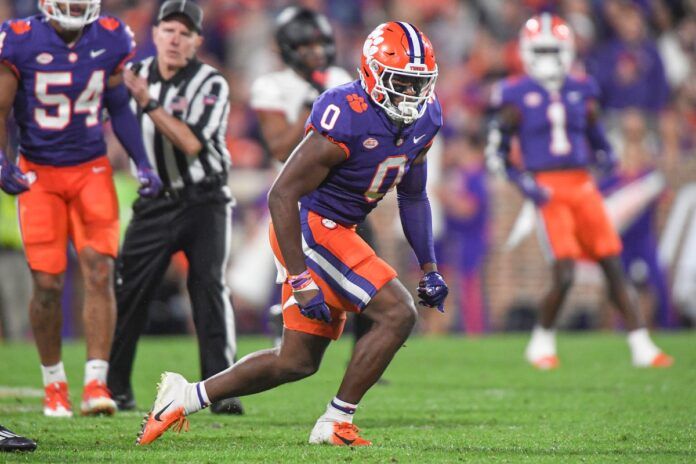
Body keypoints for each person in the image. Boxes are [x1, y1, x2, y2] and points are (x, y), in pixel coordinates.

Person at [136, 21, 449, 447]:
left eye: (419, 84)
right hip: (310, 226)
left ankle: (184, 397)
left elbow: (413, 197)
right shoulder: (347, 115)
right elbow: (282, 194)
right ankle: (336, 421)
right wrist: (300, 278)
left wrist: (429, 266)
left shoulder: (425, 118)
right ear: (373, 74)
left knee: (295, 362)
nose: (412, 96)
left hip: (340, 228)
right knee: (398, 312)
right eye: (402, 83)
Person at [0, 0, 162, 417]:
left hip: (91, 169)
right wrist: (2, 160)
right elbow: (0, 109)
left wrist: (141, 160)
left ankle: (95, 382)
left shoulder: (110, 35)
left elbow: (119, 104)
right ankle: (54, 383)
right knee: (48, 283)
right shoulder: (18, 39)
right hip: (39, 173)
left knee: (100, 267)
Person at [486, 13, 672, 369]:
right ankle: (541, 341)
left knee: (612, 264)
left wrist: (606, 158)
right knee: (566, 272)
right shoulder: (515, 94)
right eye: (540, 50)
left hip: (583, 185)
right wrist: (525, 183)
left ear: (568, 50)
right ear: (526, 52)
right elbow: (496, 153)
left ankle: (642, 346)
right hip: (548, 188)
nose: (547, 58)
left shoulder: (581, 88)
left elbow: (598, 138)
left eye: (553, 50)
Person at [106, 0, 242, 415]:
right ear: (155, 34)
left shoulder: (210, 83)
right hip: (154, 201)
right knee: (130, 290)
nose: (175, 38)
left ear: (197, 41)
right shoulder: (134, 75)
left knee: (208, 290)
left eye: (184, 32)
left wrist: (147, 102)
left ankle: (220, 391)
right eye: (168, 29)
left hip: (205, 199)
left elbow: (191, 143)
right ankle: (114, 389)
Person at [247, 6, 377, 352]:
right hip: (296, 197)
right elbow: (280, 148)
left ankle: (365, 351)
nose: (315, 52)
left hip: (344, 195)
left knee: (370, 265)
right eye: (305, 45)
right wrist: (315, 103)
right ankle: (283, 329)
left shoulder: (339, 77)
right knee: (289, 274)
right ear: (288, 47)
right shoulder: (271, 85)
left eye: (320, 43)